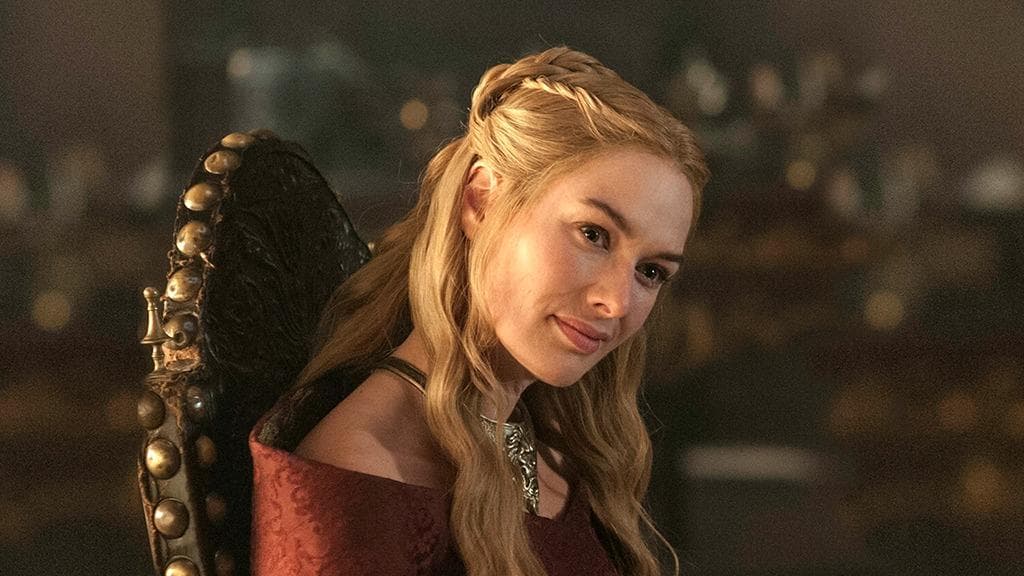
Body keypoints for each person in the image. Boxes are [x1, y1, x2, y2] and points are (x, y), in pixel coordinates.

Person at [249, 46, 708, 576]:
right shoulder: (358, 478)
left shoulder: (542, 446)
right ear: (481, 201)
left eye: (650, 271)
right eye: (593, 234)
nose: (618, 302)